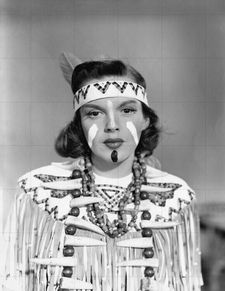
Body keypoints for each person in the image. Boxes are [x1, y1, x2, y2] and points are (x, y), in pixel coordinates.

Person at [2, 57, 203, 291]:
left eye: (127, 110)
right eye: (94, 113)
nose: (112, 125)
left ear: (145, 120)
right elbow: (13, 281)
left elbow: (186, 283)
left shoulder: (177, 198)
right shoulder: (37, 193)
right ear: (79, 124)